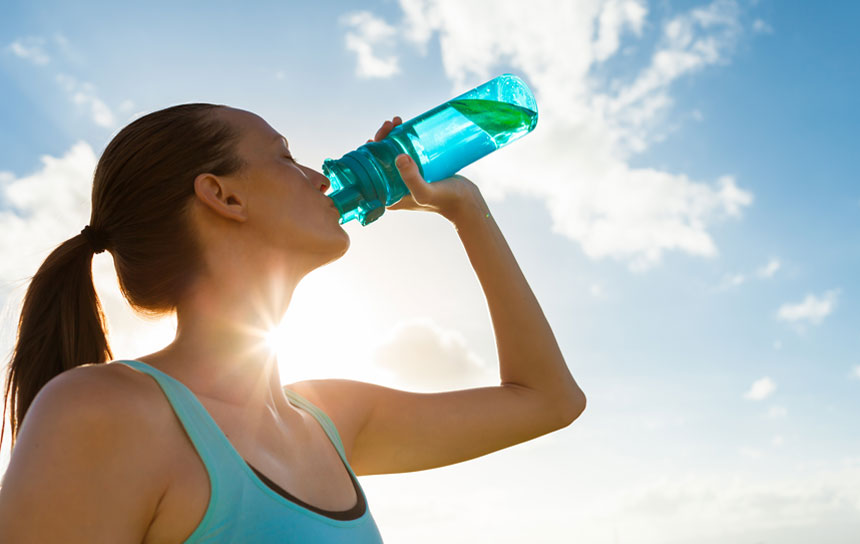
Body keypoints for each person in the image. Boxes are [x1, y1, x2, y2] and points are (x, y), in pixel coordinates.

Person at [0, 103, 586, 542]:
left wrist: (464, 208)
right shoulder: (104, 411)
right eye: (285, 157)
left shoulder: (329, 420)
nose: (321, 176)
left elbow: (550, 400)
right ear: (223, 196)